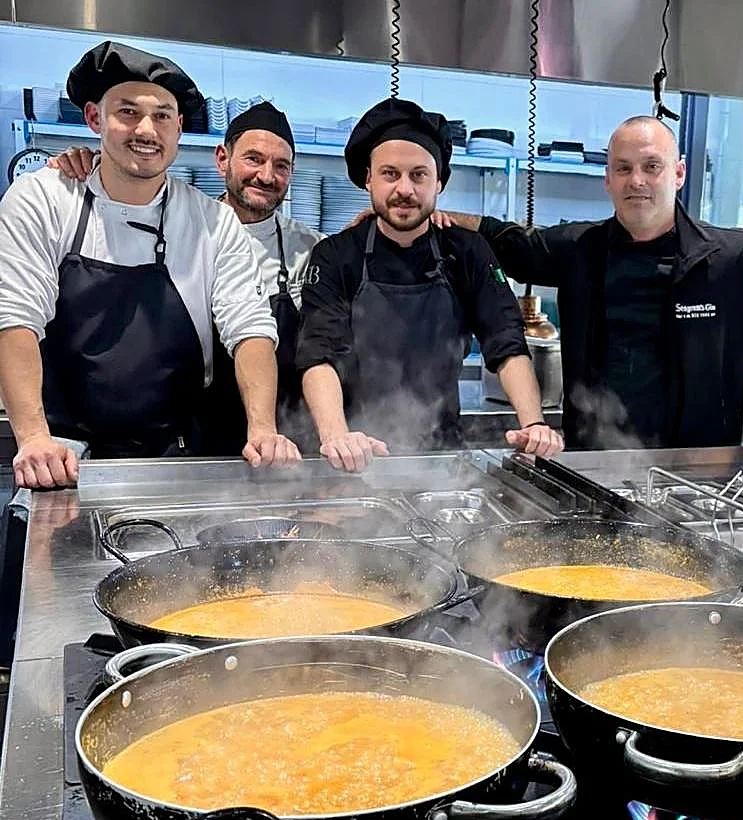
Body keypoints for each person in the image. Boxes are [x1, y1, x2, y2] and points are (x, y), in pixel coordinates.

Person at [433, 116, 743, 450]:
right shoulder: (576, 249)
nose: (637, 180)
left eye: (651, 167)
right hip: (592, 466)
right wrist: (423, 213)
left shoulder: (729, 257)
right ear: (607, 179)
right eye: (623, 168)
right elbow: (500, 237)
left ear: (677, 174)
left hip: (696, 474)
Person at [0, 41, 299, 489]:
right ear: (94, 118)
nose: (146, 129)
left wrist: (262, 428)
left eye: (161, 116)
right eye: (128, 112)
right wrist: (33, 437)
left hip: (173, 457)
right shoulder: (44, 198)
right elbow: (15, 317)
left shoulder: (211, 221)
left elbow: (250, 329)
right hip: (62, 458)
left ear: (178, 128)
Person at [295, 98, 562, 471]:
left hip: (442, 459)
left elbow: (506, 341)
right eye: (390, 174)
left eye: (418, 175)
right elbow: (318, 355)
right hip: (353, 454)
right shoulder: (336, 255)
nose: (404, 188)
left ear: (439, 182)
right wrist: (337, 436)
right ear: (368, 178)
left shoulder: (467, 251)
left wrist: (533, 424)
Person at [48, 101, 323, 452]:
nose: (266, 176)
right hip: (194, 437)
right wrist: (98, 168)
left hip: (280, 438)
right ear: (222, 158)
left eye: (281, 166)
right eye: (253, 159)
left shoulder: (313, 248)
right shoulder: (185, 227)